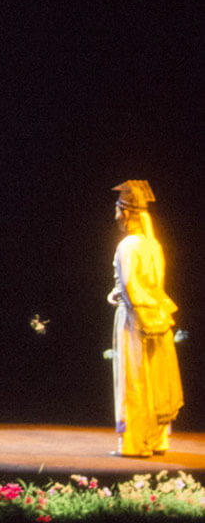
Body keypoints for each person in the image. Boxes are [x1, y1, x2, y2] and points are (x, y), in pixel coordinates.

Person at [106, 181, 182, 456]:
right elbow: (151, 285)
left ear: (126, 213)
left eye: (117, 210)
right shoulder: (153, 245)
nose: (116, 216)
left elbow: (130, 287)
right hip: (156, 317)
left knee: (135, 378)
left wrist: (128, 304)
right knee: (154, 377)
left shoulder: (127, 245)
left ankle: (136, 442)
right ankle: (157, 439)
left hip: (135, 320)